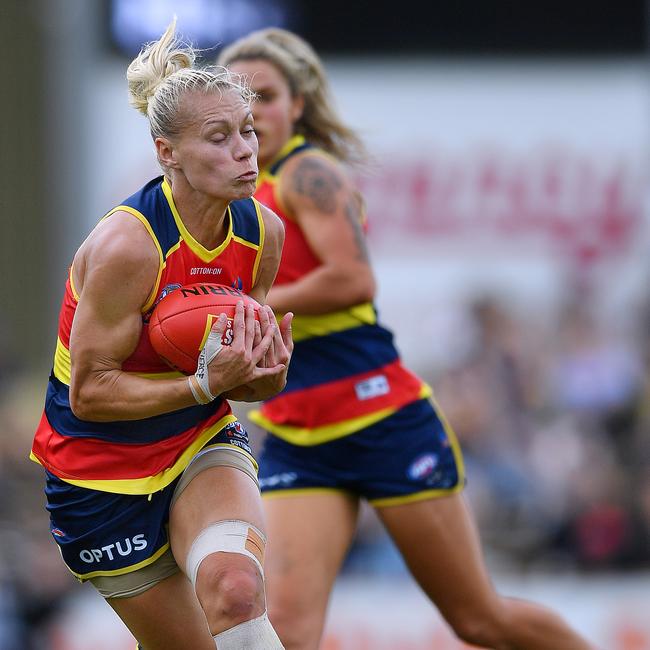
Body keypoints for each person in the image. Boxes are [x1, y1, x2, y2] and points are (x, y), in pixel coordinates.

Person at [218, 29, 597, 650]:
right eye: (239, 96)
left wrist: (254, 306)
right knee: (284, 630)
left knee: (479, 621)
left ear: (298, 105)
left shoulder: (308, 174)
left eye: (266, 94)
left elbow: (354, 278)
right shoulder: (224, 195)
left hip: (382, 418)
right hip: (297, 430)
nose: (253, 109)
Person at [29, 20, 293, 650]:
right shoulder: (129, 247)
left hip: (197, 443)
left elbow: (249, 382)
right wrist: (204, 383)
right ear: (167, 152)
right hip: (97, 478)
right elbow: (91, 394)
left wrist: (267, 371)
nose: (245, 151)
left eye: (249, 132)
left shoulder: (263, 234)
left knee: (235, 591)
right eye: (219, 137)